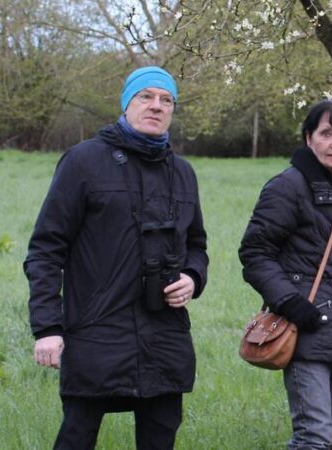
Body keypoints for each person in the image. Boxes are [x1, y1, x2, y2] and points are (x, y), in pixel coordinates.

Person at [24, 66, 209, 450]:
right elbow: (45, 248)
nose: (156, 106)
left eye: (166, 100)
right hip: (96, 330)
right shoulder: (83, 162)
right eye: (146, 97)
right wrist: (47, 327)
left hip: (165, 335)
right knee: (77, 435)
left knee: (160, 436)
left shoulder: (183, 173)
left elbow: (197, 244)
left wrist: (193, 276)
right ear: (126, 103)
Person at [238, 99, 332, 449]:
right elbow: (254, 253)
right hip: (304, 328)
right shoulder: (288, 186)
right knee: (313, 436)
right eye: (327, 133)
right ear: (309, 138)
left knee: (318, 436)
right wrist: (290, 302)